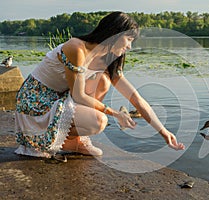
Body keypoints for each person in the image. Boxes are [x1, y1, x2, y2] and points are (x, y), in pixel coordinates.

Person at [14, 11, 185, 158]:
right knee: (99, 121)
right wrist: (115, 113)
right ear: (115, 34)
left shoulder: (108, 60)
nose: (130, 47)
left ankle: (75, 141)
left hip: (58, 98)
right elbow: (78, 95)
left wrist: (164, 132)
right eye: (129, 39)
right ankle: (43, 139)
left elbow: (136, 99)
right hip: (35, 99)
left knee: (103, 81)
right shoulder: (77, 48)